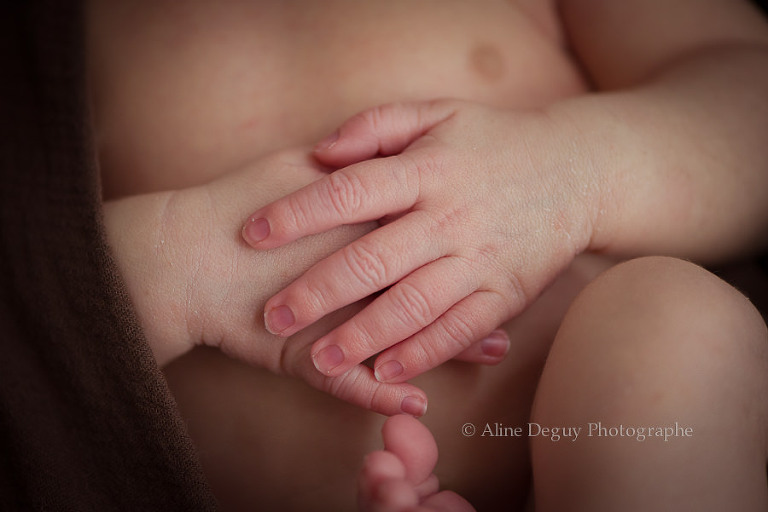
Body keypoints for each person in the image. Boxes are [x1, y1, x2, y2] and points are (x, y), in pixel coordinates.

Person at [2, 1, 767, 511]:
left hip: (592, 450)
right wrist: (180, 257)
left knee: (673, 324)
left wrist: (574, 169)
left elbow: (747, 90)